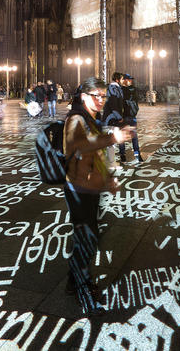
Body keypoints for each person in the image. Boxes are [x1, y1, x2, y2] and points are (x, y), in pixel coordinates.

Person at [63, 77, 133, 315]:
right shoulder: (75, 118)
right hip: (78, 189)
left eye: (103, 96)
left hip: (89, 186)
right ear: (84, 96)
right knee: (86, 238)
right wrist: (113, 138)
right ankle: (82, 288)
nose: (101, 100)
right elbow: (82, 146)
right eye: (96, 96)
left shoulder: (91, 118)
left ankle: (74, 283)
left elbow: (96, 156)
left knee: (88, 237)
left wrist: (107, 181)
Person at [102, 72, 126, 162]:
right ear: (117, 80)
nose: (123, 81)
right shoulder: (112, 88)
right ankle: (109, 162)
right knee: (110, 140)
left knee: (114, 140)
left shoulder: (117, 88)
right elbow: (113, 105)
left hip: (114, 118)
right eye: (122, 79)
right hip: (111, 119)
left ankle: (113, 161)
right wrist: (119, 117)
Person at [120, 74, 143, 163]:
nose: (130, 81)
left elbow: (136, 102)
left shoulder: (128, 89)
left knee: (134, 135)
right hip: (124, 116)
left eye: (131, 79)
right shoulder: (125, 89)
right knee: (123, 136)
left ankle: (137, 154)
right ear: (124, 80)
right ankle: (123, 155)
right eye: (129, 79)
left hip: (130, 116)